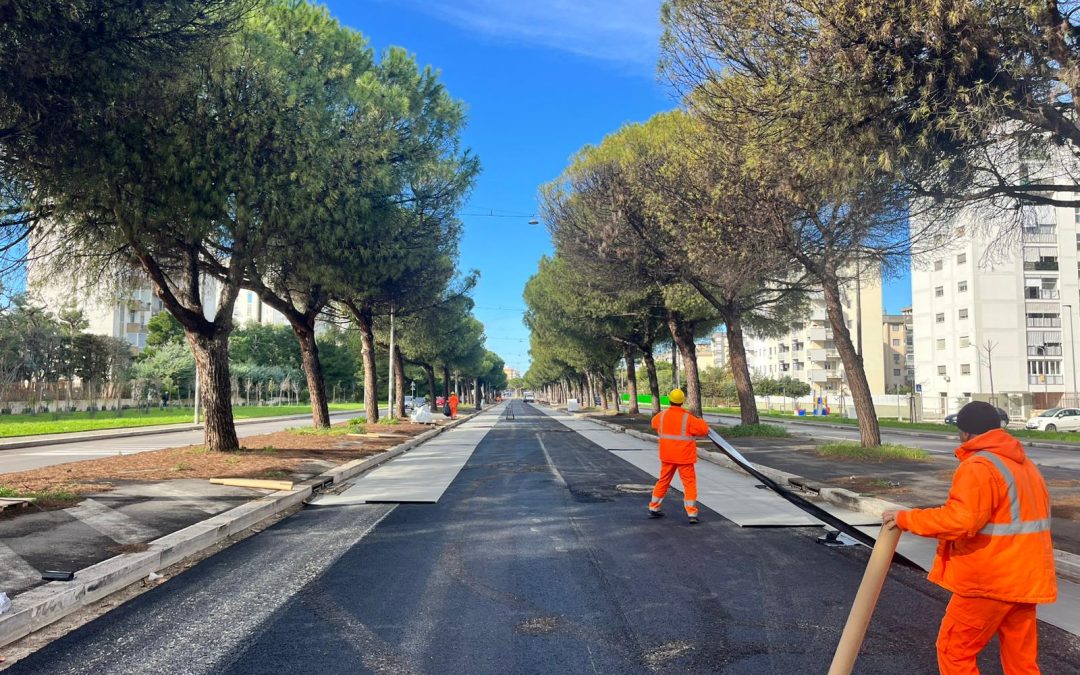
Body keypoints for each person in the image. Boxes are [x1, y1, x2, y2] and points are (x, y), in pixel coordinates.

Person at [883, 401, 1056, 675]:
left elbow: (960, 520)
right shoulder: (1023, 466)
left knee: (954, 651)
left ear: (964, 433)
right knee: (1021, 662)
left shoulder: (979, 466)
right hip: (1025, 578)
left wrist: (906, 518)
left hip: (990, 579)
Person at [648, 388, 710, 524]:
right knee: (689, 484)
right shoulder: (688, 418)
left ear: (669, 400)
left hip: (667, 456)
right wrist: (700, 420)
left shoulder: (662, 416)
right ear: (682, 401)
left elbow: (653, 424)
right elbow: (704, 430)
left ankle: (654, 507)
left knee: (663, 481)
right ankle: (692, 513)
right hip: (684, 457)